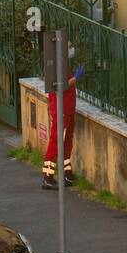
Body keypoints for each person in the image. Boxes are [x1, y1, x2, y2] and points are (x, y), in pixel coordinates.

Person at [43, 43, 85, 190]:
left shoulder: (62, 63)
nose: (71, 49)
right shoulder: (58, 65)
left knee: (67, 141)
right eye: (69, 47)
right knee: (57, 141)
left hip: (67, 110)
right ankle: (47, 176)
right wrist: (76, 78)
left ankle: (67, 172)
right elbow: (61, 86)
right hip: (62, 110)